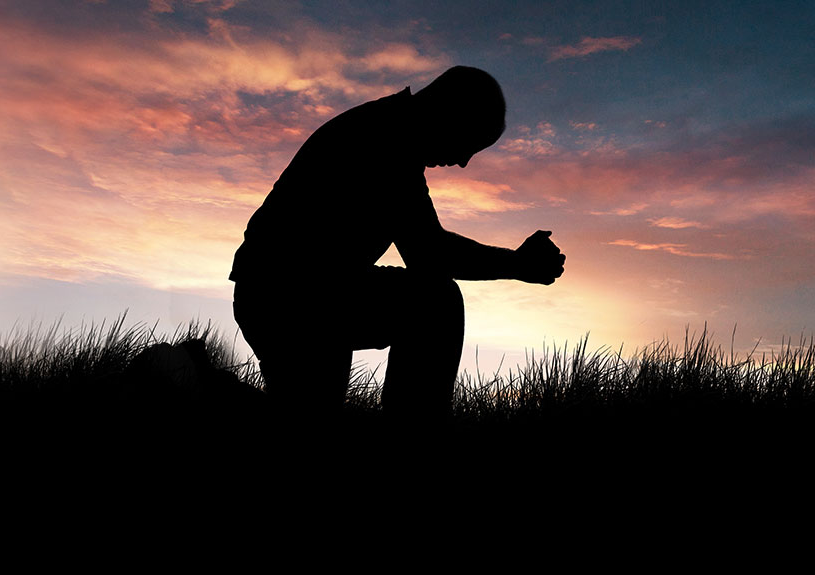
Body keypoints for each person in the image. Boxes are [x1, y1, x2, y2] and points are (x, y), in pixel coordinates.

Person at [229, 66, 564, 420]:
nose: (464, 162)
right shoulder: (386, 138)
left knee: (307, 413)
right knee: (434, 301)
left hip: (313, 293)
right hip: (287, 297)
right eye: (469, 142)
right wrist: (518, 264)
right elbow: (430, 253)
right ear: (449, 112)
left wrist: (516, 263)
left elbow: (427, 248)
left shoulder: (392, 131)